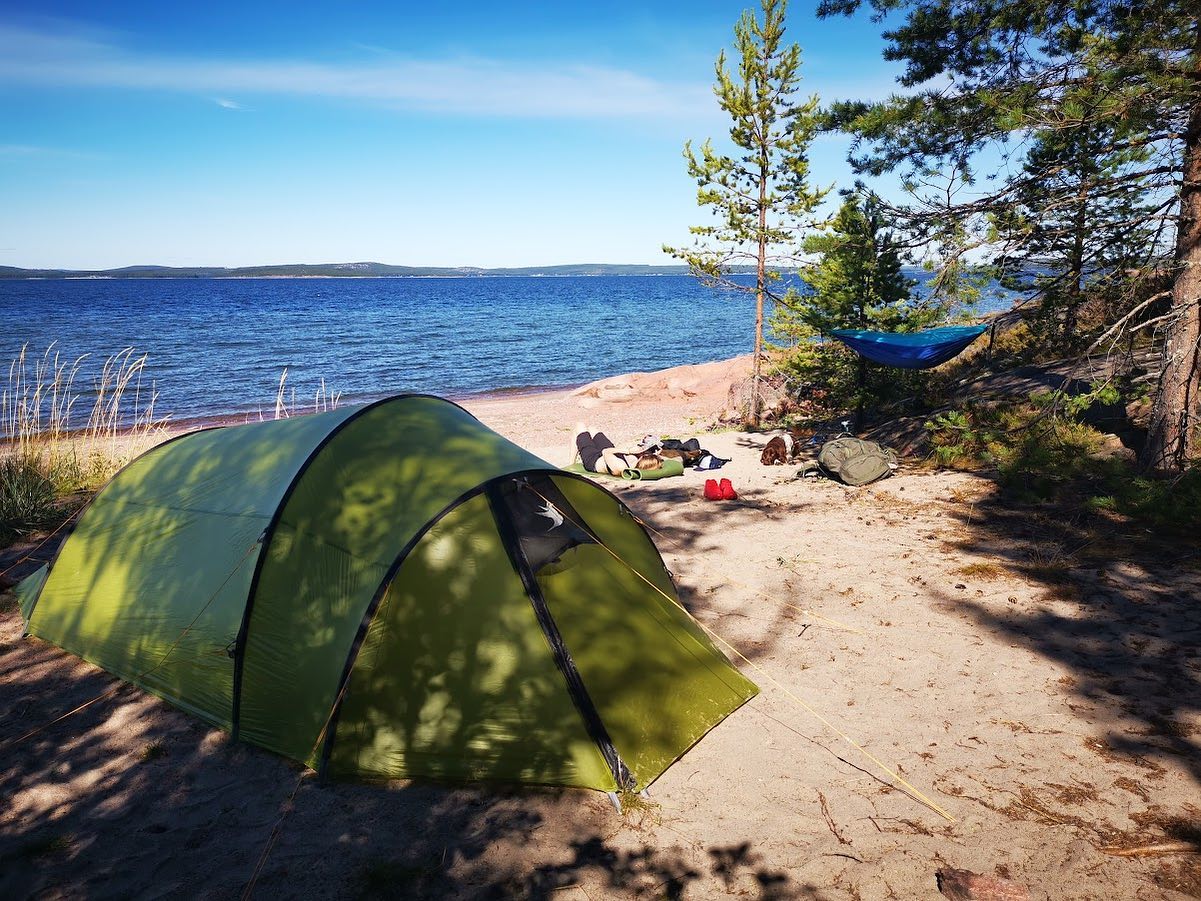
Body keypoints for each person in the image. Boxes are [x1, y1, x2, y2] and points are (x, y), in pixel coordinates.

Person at [573, 426, 663, 476]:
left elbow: (605, 452)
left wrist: (629, 451)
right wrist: (655, 453)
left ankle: (571, 464)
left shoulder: (621, 467)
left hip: (593, 459)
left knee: (579, 426)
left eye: (644, 455)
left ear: (642, 460)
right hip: (611, 455)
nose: (643, 454)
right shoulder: (636, 462)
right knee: (592, 429)